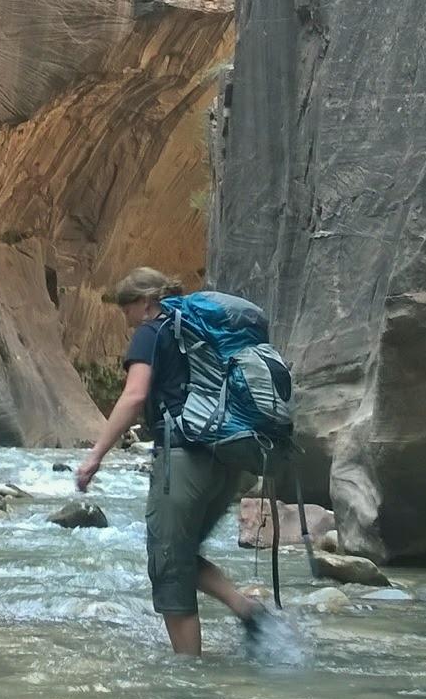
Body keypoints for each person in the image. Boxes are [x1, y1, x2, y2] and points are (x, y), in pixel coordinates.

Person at [73, 267, 277, 654]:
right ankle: (246, 609)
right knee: (180, 555)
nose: (126, 318)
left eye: (127, 308)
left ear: (147, 302)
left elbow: (134, 396)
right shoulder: (203, 332)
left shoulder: (152, 331)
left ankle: (188, 679)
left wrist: (95, 456)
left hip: (183, 462)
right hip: (227, 460)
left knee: (168, 567)